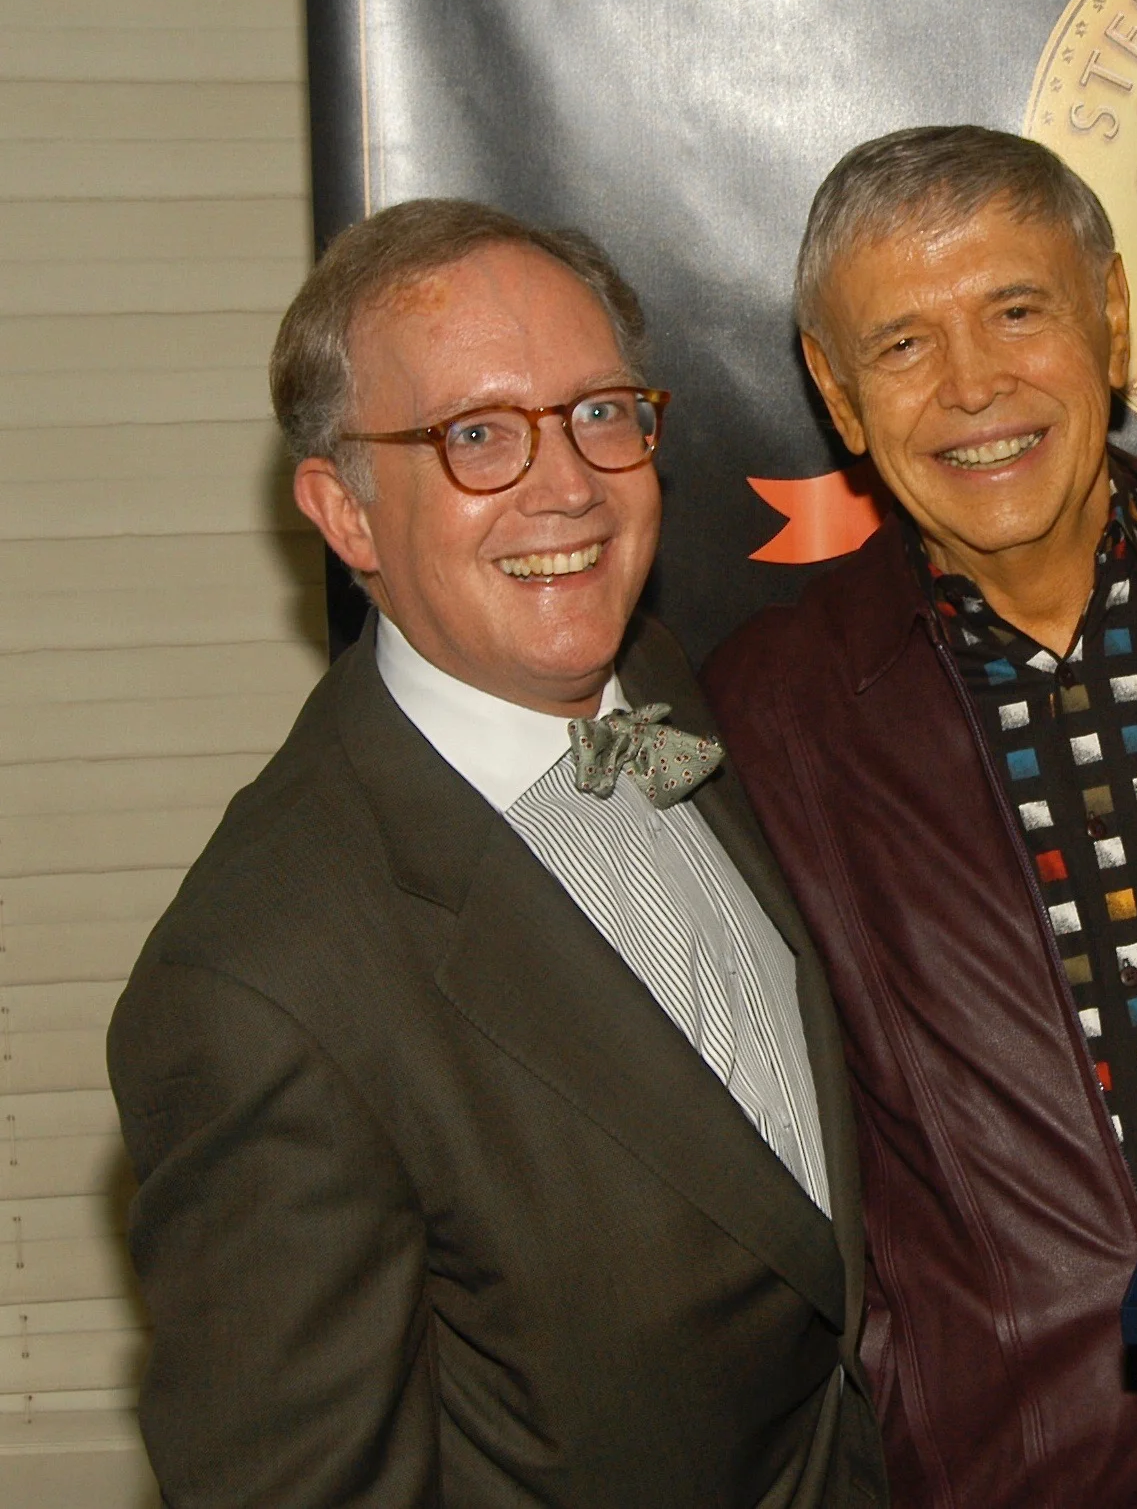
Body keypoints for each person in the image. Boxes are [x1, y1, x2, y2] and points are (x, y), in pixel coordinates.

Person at [108, 200, 884, 1507]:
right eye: (477, 435)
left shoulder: (659, 678)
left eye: (600, 411)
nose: (568, 482)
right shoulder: (257, 989)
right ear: (345, 513)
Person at [702, 128, 1137, 1508]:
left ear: (1113, 319)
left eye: (1016, 311)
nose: (974, 387)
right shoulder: (770, 715)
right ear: (836, 396)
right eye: (903, 344)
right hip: (992, 1469)